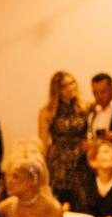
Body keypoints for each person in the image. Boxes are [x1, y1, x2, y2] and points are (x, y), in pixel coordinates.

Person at [35, 71, 90, 209]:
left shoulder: (85, 106)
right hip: (58, 162)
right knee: (58, 203)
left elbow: (110, 105)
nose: (71, 87)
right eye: (65, 86)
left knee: (81, 201)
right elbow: (42, 142)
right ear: (57, 90)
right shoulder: (47, 111)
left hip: (80, 161)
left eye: (72, 83)